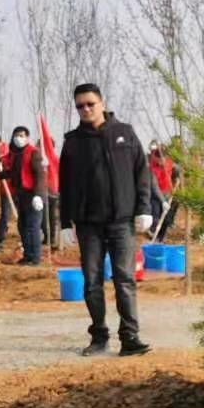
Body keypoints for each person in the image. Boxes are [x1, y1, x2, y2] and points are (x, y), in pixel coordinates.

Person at [58, 84, 153, 357]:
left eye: (90, 103)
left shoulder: (124, 133)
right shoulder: (73, 143)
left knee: (125, 279)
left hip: (122, 222)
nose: (86, 109)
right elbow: (65, 184)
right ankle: (99, 336)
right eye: (80, 106)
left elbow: (142, 173)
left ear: (102, 103)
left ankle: (130, 337)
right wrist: (65, 223)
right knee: (92, 281)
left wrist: (144, 208)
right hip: (89, 224)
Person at [2, 125, 49, 265]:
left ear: (27, 137)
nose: (18, 138)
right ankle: (27, 256)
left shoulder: (33, 152)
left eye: (21, 135)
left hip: (34, 195)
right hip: (21, 194)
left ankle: (35, 258)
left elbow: (40, 175)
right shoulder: (15, 154)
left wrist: (38, 195)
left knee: (32, 226)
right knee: (22, 226)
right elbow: (12, 173)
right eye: (16, 135)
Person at [147, 140, 174, 242]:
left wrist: (178, 176)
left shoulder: (169, 162)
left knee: (166, 219)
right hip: (155, 195)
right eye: (159, 160)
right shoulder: (151, 167)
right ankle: (153, 234)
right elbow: (154, 186)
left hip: (167, 193)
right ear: (156, 158)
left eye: (163, 159)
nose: (162, 162)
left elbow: (176, 169)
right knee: (156, 217)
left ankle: (161, 238)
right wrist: (162, 201)